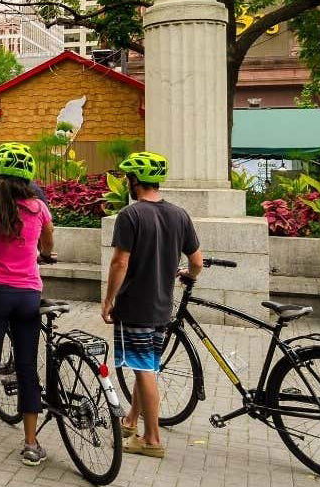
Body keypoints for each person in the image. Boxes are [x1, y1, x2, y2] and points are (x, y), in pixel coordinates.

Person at [102, 151, 202, 459]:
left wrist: (108, 301)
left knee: (144, 369)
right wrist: (188, 275)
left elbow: (120, 261)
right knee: (145, 366)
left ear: (134, 181)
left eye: (128, 179)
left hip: (135, 306)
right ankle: (131, 421)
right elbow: (196, 261)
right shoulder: (179, 214)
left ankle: (152, 439)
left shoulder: (130, 216)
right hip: (162, 307)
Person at [0, 143, 53, 466]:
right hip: (28, 295)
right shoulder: (39, 210)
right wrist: (37, 254)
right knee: (28, 367)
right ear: (28, 180)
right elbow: (47, 246)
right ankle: (31, 445)